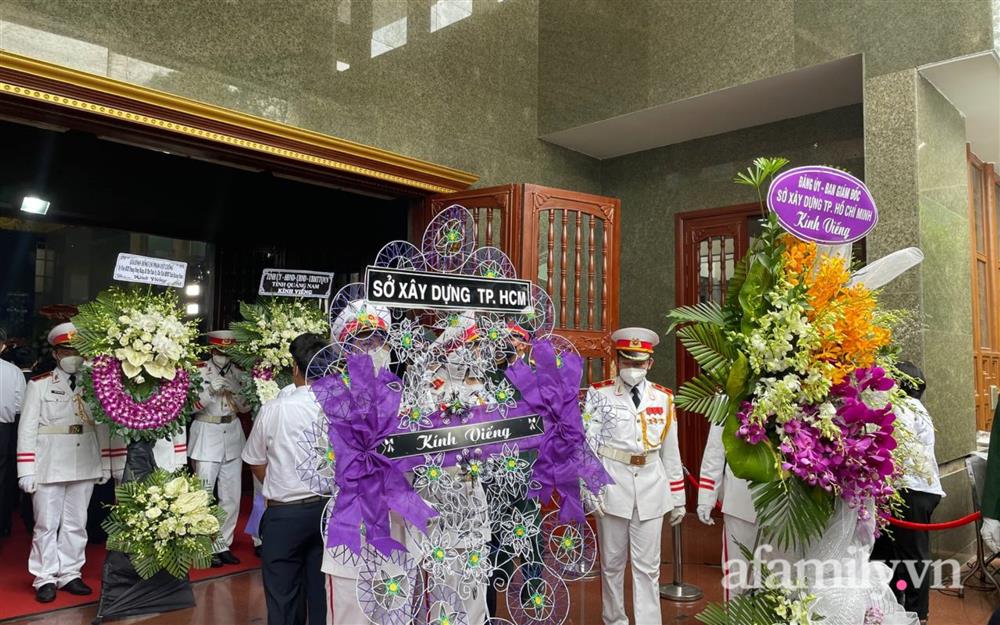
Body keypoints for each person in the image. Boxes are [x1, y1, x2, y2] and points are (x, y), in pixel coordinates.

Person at [585, 327, 685, 625]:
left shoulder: (664, 398)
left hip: (652, 487)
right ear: (617, 361)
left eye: (640, 363)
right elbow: (587, 444)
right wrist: (589, 487)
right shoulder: (599, 394)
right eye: (628, 362)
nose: (634, 368)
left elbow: (671, 450)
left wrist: (678, 497)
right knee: (612, 564)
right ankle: (614, 620)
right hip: (612, 487)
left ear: (650, 363)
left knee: (648, 567)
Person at [17, 322, 110, 602]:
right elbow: (27, 428)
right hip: (50, 463)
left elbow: (103, 426)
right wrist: (26, 469)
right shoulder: (40, 384)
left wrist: (105, 463)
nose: (73, 355)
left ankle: (70, 572)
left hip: (84, 460)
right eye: (67, 350)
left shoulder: (95, 384)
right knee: (46, 523)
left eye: (78, 350)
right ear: (56, 353)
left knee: (76, 522)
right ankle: (45, 576)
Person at [243, 332, 329, 625]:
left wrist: (278, 483)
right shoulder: (339, 408)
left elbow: (254, 459)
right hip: (328, 512)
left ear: (295, 368)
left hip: (285, 513)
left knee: (282, 597)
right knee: (322, 595)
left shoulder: (275, 408)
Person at [870, 362, 942, 625]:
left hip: (910, 490)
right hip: (917, 490)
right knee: (897, 552)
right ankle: (899, 606)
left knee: (912, 555)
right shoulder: (917, 408)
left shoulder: (902, 408)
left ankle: (917, 613)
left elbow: (893, 448)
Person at [188, 330, 248, 567]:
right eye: (220, 352)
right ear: (212, 351)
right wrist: (208, 392)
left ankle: (221, 543)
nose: (224, 357)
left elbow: (244, 408)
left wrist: (236, 390)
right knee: (204, 495)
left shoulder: (238, 373)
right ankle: (202, 546)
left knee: (231, 497)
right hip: (206, 433)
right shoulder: (198, 370)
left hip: (232, 435)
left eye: (228, 353)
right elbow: (187, 408)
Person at [696, 423, 758, 599]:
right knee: (737, 576)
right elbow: (716, 448)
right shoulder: (727, 396)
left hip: (784, 503)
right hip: (740, 497)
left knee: (778, 575)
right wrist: (706, 497)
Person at [0, 344, 26, 537]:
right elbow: (19, 405)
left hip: (4, 427)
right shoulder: (13, 371)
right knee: (2, 477)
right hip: (4, 427)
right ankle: (2, 525)